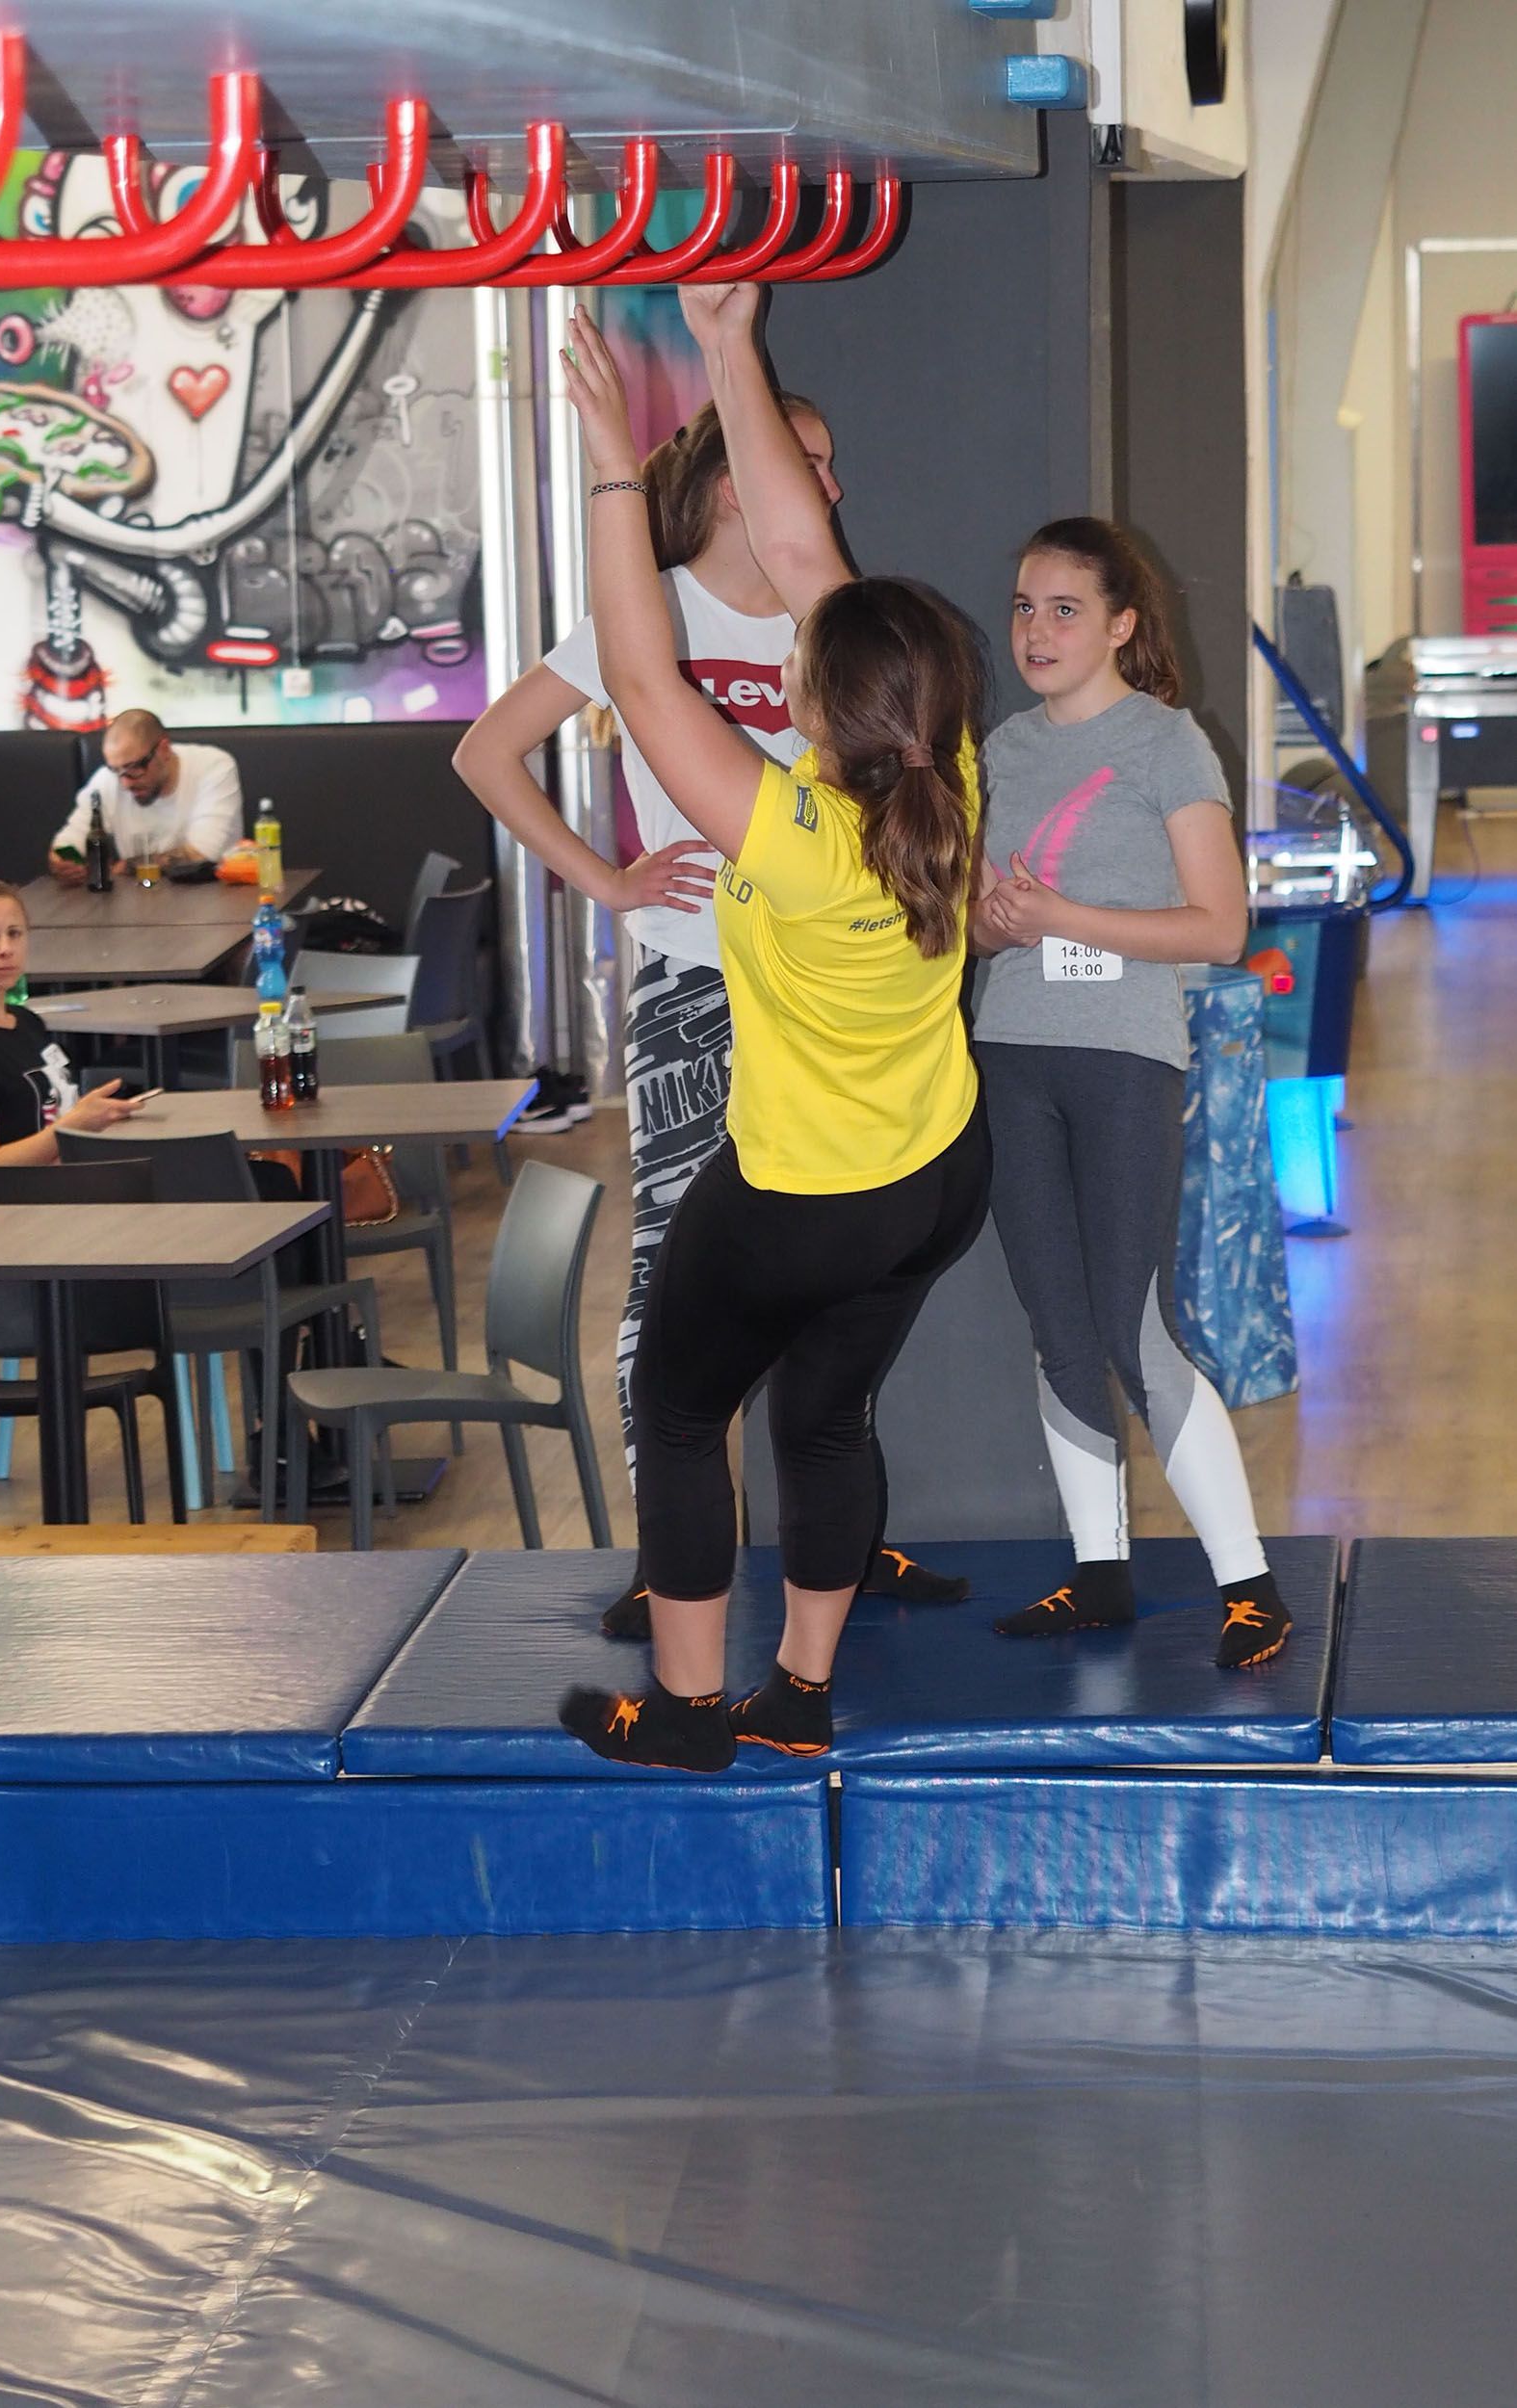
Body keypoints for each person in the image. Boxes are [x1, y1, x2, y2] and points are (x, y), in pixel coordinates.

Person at [551, 288, 990, 1772]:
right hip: (934, 1177)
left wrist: (610, 465)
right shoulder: (941, 771)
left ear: (816, 699)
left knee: (681, 1411)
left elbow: (638, 675)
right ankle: (795, 1694)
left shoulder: (794, 832)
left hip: (809, 1191)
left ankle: (686, 1715)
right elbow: (808, 560)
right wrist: (729, 346)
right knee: (821, 1416)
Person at [454, 369, 967, 1636]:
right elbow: (484, 749)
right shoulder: (654, 606)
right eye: (810, 460)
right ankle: (674, 1559)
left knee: (832, 1285)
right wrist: (606, 880)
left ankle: (829, 1545)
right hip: (697, 979)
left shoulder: (826, 621)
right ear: (736, 481)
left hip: (825, 981)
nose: (831, 487)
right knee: (676, 1275)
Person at [973, 518, 1291, 1669]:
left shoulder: (1167, 742)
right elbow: (977, 926)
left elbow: (1220, 927)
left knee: (1133, 1320)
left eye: (1064, 609)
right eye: (1024, 606)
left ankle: (1249, 1586)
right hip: (1010, 1053)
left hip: (1123, 1058)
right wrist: (991, 921)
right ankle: (1098, 1574)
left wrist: (1062, 915)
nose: (1037, 629)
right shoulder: (1001, 750)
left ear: (1119, 624)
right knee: (1057, 1326)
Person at [0, 877, 145, 1165]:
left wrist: (88, 1117)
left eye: (14, 933)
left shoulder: (26, 1021)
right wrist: (73, 1125)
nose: (5, 948)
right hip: (25, 1190)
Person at [47, 711, 244, 884]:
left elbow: (204, 854)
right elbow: (69, 841)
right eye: (116, 770)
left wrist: (126, 866)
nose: (126, 783)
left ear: (164, 749)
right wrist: (64, 863)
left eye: (134, 768)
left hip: (210, 896)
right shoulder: (108, 780)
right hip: (140, 896)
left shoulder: (213, 767)